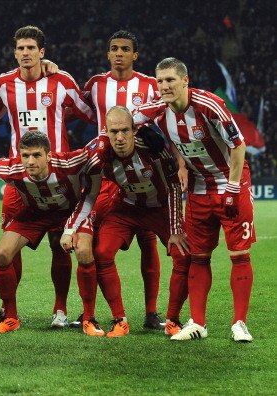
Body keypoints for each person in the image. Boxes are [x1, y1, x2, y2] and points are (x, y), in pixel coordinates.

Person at [133, 57, 255, 342]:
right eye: (160, 81)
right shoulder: (159, 111)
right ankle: (198, 322)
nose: (164, 86)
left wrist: (234, 188)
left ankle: (240, 324)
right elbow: (125, 120)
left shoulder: (208, 105)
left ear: (185, 81)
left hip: (230, 182)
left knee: (238, 253)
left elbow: (238, 145)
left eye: (170, 80)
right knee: (198, 257)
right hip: (199, 187)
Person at [0, 25, 96, 328]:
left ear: (42, 52)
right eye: (20, 48)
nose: (25, 53)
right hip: (18, 181)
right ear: (15, 52)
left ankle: (60, 310)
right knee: (9, 246)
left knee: (58, 245)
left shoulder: (61, 81)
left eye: (31, 48)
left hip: (59, 177)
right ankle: (9, 310)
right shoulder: (4, 84)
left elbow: (89, 112)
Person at [61, 106, 190, 337]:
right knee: (102, 253)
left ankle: (173, 320)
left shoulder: (154, 149)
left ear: (134, 130)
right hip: (126, 208)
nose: (119, 138)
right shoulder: (99, 157)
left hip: (160, 208)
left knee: (183, 254)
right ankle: (120, 320)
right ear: (106, 133)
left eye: (124, 131)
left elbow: (172, 188)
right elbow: (88, 196)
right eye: (113, 132)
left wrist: (175, 228)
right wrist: (70, 228)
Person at [76, 30, 164, 330]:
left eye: (125, 49)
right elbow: (80, 107)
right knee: (93, 242)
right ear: (107, 53)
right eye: (114, 48)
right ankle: (91, 311)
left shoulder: (151, 85)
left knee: (147, 239)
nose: (119, 53)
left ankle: (152, 312)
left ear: (135, 55)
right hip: (108, 172)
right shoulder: (96, 85)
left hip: (142, 168)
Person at [0, 131, 98, 333]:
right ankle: (11, 316)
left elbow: (94, 150)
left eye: (36, 155)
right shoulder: (11, 169)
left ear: (49, 156)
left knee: (83, 252)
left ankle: (80, 315)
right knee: (2, 254)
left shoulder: (69, 163)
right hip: (34, 214)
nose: (30, 161)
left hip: (67, 213)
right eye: (25, 156)